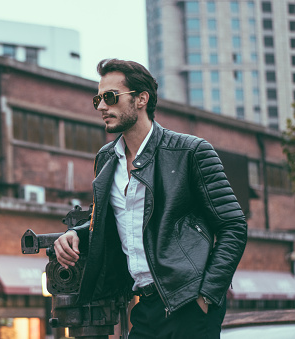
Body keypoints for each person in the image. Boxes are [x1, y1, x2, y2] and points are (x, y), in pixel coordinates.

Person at [54, 59, 247, 339]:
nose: (101, 107)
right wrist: (76, 234)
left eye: (110, 97)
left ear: (141, 99)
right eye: (98, 98)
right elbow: (112, 222)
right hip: (144, 305)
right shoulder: (107, 159)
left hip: (189, 304)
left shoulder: (190, 152)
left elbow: (234, 227)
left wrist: (207, 295)